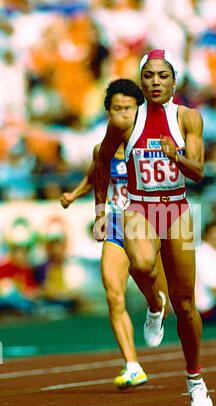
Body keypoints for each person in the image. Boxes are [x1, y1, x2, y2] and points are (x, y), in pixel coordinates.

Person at [94, 49, 213, 406]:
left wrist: (174, 155)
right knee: (143, 265)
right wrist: (100, 208)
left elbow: (198, 172)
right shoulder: (126, 121)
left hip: (177, 209)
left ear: (174, 81)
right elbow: (101, 159)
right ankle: (153, 303)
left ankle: (195, 379)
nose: (156, 82)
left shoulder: (188, 118)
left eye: (163, 76)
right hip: (139, 207)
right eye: (148, 76)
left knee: (188, 303)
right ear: (141, 81)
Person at [61, 79, 168, 389]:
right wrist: (76, 196)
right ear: (108, 112)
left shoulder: (152, 142)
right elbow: (98, 172)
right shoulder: (103, 147)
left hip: (147, 222)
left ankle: (154, 303)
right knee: (113, 293)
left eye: (128, 108)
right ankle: (132, 365)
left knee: (143, 269)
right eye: (116, 109)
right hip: (117, 222)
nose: (122, 114)